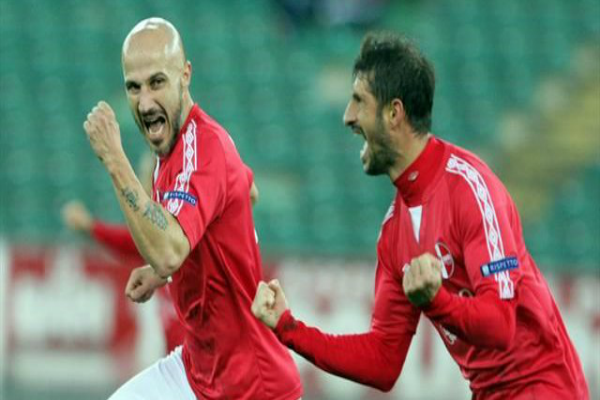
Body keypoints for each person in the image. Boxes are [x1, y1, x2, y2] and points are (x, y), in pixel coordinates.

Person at [252, 32, 589, 399]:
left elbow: (500, 324)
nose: (348, 116)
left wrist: (435, 300)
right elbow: (382, 361)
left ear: (394, 113)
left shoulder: (470, 189)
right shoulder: (393, 232)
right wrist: (288, 327)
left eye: (359, 101)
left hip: (544, 387)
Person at [83, 17, 302, 400]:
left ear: (185, 75)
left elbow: (169, 251)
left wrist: (114, 159)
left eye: (157, 82)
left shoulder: (202, 149)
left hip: (253, 385)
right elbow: (246, 189)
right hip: (199, 369)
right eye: (134, 87)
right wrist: (162, 272)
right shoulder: (177, 148)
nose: (144, 102)